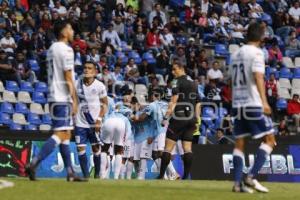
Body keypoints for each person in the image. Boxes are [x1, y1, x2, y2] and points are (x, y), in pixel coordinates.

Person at [25, 20, 84, 182]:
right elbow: (68, 76)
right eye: (70, 28)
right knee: (60, 133)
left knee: (66, 134)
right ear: (64, 31)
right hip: (62, 97)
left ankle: (70, 172)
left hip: (52, 95)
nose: (73, 32)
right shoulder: (66, 50)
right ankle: (35, 162)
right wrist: (75, 99)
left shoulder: (51, 48)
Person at [230, 22, 276, 193]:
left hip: (238, 104)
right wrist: (264, 102)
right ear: (262, 36)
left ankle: (236, 184)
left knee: (239, 143)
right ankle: (251, 176)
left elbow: (231, 81)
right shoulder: (257, 53)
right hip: (253, 103)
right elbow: (258, 77)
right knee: (270, 140)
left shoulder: (235, 54)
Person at [157, 61, 200, 180]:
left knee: (168, 148)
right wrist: (196, 118)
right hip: (191, 118)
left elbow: (173, 101)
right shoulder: (194, 83)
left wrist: (166, 117)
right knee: (187, 148)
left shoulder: (176, 81)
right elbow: (198, 103)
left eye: (174, 69)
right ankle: (186, 177)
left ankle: (161, 176)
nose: (172, 72)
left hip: (179, 118)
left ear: (181, 68)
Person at [75, 62, 108, 179]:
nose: (86, 70)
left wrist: (99, 119)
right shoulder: (77, 84)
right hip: (80, 123)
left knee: (96, 148)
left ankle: (97, 174)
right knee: (80, 148)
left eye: (89, 68)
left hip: (94, 123)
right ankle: (85, 176)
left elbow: (105, 104)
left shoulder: (100, 86)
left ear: (94, 72)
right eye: (85, 68)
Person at [100, 100, 132, 180]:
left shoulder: (109, 114)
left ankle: (102, 175)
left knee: (104, 150)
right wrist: (123, 141)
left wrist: (102, 138)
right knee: (119, 151)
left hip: (109, 122)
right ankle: (116, 177)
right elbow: (129, 132)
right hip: (121, 123)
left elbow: (103, 125)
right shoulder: (125, 118)